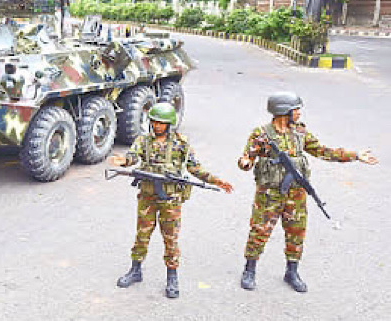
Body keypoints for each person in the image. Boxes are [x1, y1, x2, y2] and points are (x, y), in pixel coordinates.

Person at [238, 91, 378, 292]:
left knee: (296, 232)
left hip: (296, 194)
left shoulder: (300, 133)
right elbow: (247, 158)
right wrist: (245, 163)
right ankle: (249, 269)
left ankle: (292, 271)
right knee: (260, 231)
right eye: (296, 110)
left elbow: (324, 151)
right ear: (283, 111)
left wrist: (355, 155)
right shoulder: (262, 134)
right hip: (269, 195)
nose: (299, 114)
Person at [108, 102, 233, 298]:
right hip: (147, 197)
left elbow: (194, 168)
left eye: (161, 123)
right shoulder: (144, 140)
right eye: (154, 122)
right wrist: (124, 161)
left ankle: (172, 276)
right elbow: (133, 155)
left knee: (170, 239)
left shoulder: (181, 143)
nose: (157, 126)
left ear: (169, 124)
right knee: (142, 234)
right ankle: (135, 270)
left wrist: (216, 180)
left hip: (171, 199)